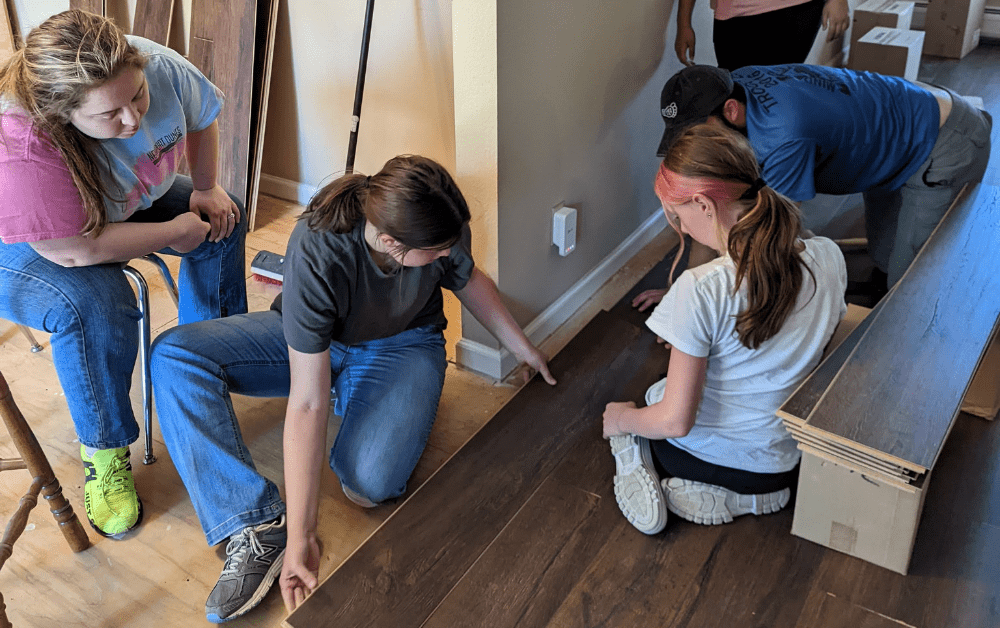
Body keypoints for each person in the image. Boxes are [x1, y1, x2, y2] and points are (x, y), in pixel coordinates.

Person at [150, 155, 557, 623]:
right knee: (175, 355)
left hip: (403, 343)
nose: (448, 255)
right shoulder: (319, 245)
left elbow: (470, 281)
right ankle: (256, 524)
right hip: (315, 343)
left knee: (368, 486)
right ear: (389, 243)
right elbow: (307, 401)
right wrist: (303, 537)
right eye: (436, 252)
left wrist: (525, 349)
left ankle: (364, 393)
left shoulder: (441, 226)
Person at [0, 10, 246, 539]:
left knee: (223, 215)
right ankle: (105, 449)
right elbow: (72, 252)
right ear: (61, 114)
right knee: (96, 302)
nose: (134, 119)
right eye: (111, 114)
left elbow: (202, 117)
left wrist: (204, 189)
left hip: (113, 206)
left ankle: (210, 357)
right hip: (26, 239)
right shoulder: (22, 144)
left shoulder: (146, 64)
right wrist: (172, 232)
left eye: (137, 97)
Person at [604, 124, 847, 533]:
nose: (680, 228)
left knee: (645, 407)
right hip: (783, 460)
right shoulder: (828, 255)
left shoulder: (701, 290)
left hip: (703, 458)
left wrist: (623, 419)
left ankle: (634, 459)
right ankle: (747, 499)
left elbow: (675, 422)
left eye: (678, 216)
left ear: (703, 203)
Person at [654, 63, 992, 290]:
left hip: (944, 142)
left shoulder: (785, 133)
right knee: (885, 257)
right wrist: (686, 287)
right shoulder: (734, 85)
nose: (694, 143)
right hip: (891, 128)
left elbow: (776, 234)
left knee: (910, 286)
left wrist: (705, 303)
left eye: (698, 131)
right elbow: (710, 209)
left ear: (731, 111)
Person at [675, 0, 849, 71]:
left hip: (799, 8)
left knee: (778, 89)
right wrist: (683, 23)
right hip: (738, 12)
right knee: (736, 94)